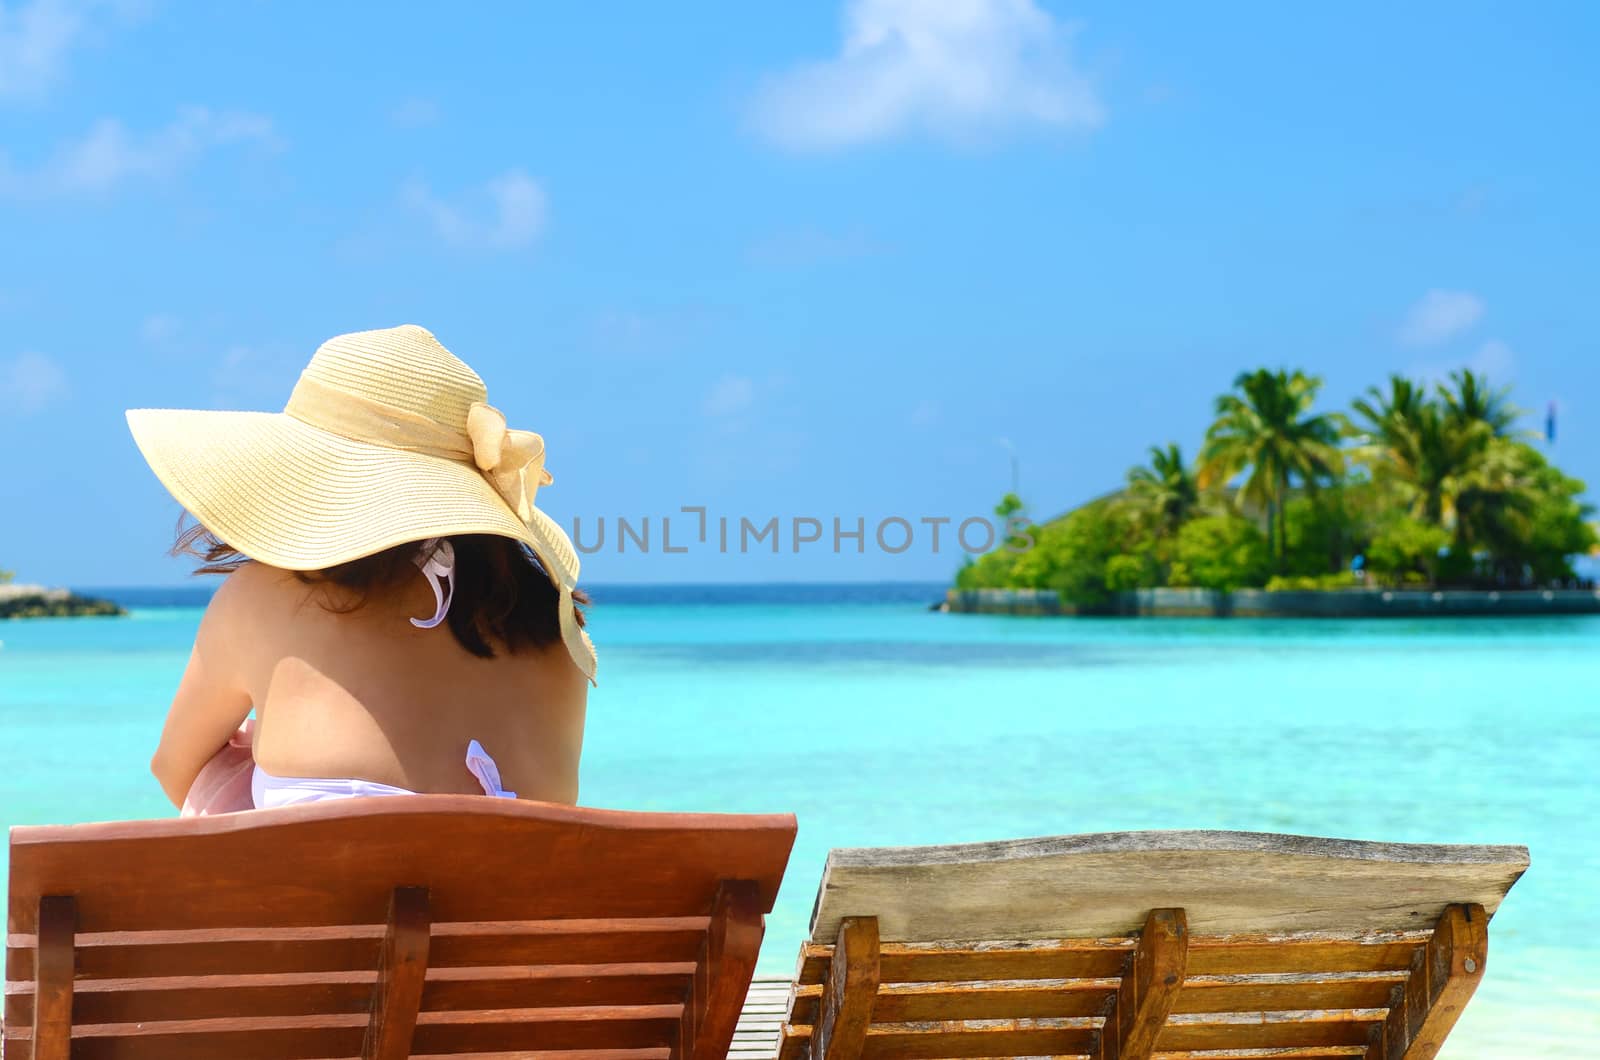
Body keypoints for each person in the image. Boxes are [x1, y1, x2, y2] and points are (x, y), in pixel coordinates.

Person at [127, 324, 596, 810]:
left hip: (324, 884)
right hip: (525, 887)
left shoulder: (267, 595)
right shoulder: (560, 632)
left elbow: (176, 768)